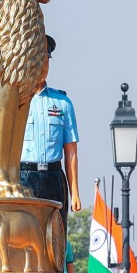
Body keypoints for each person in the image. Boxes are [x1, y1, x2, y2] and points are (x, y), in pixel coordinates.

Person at [18, 36, 81, 213]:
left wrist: (74, 191)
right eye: (38, 60)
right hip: (23, 177)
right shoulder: (16, 101)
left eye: (46, 60)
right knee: (26, 236)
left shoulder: (62, 102)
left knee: (55, 234)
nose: (43, 66)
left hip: (53, 178)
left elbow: (71, 152)